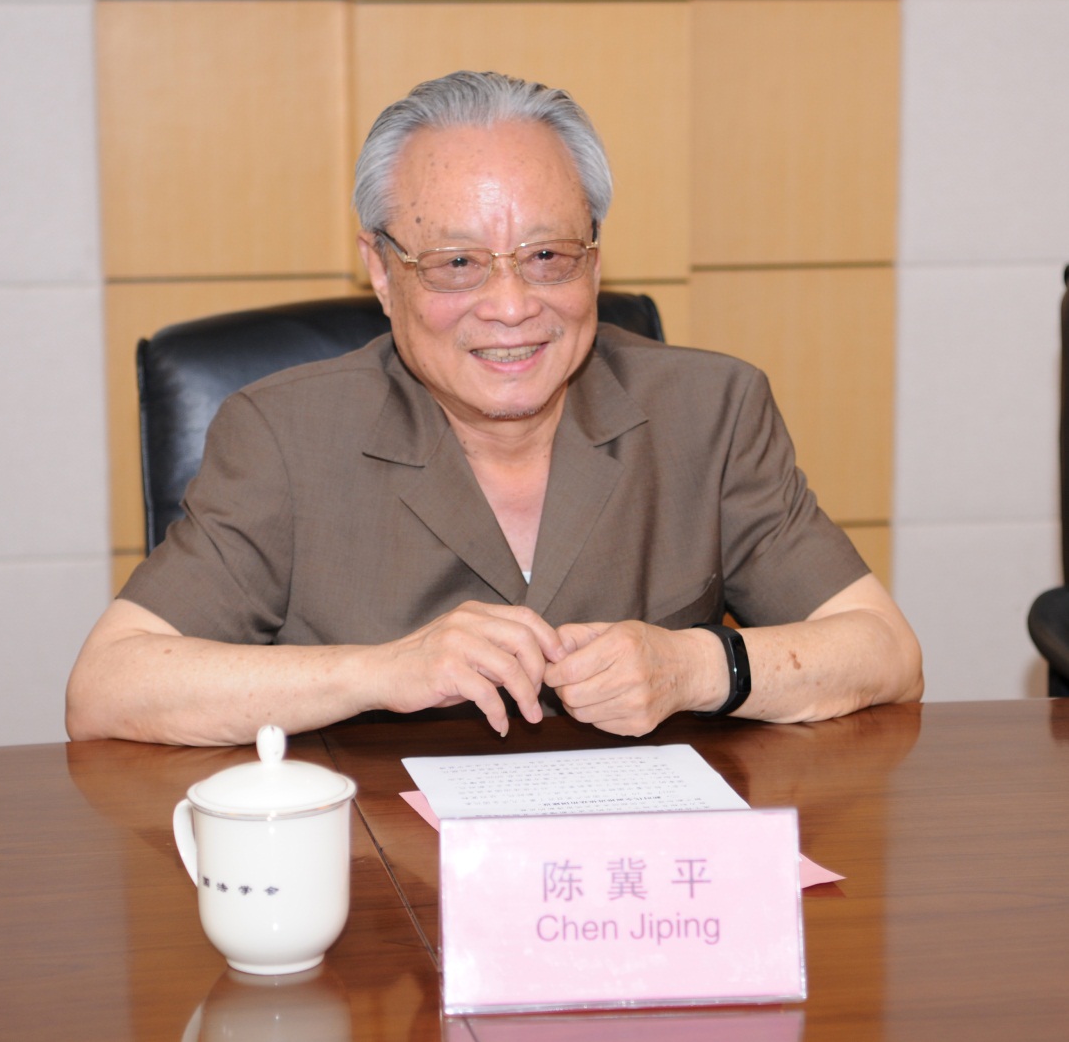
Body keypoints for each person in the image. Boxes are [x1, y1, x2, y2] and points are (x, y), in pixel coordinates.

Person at [66, 71, 922, 747]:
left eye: (548, 256)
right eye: (457, 263)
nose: (512, 307)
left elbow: (885, 652)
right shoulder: (286, 436)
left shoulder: (711, 411)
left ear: (595, 259)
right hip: (384, 885)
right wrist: (381, 671)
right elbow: (107, 687)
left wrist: (694, 665)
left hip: (627, 877)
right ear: (381, 269)